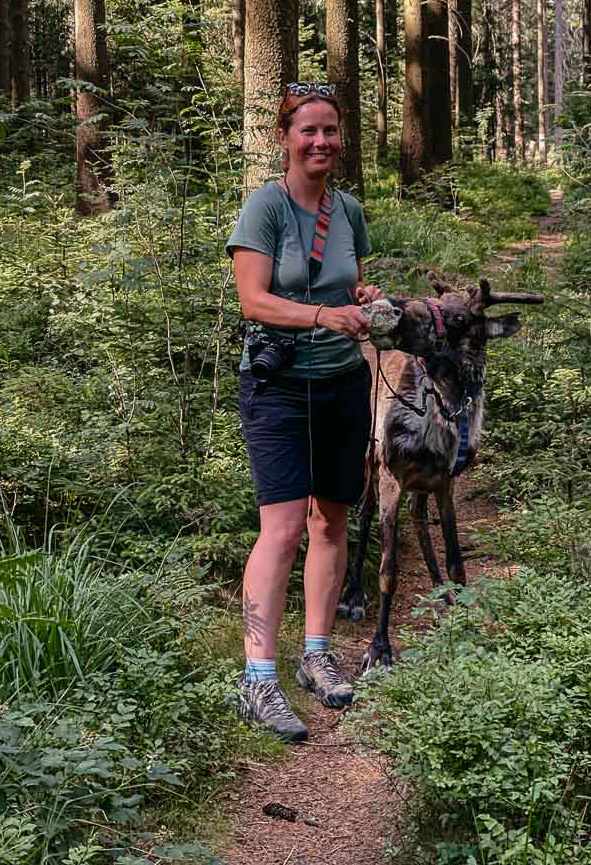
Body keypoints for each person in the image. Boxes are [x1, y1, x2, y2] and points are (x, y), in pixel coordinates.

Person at [226, 82, 384, 741]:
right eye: (308, 131)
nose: (320, 142)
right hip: (279, 388)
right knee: (283, 527)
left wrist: (362, 295)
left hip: (343, 385)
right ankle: (257, 680)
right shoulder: (264, 207)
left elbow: (346, 280)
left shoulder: (345, 210)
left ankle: (316, 654)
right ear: (285, 137)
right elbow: (254, 301)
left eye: (330, 131)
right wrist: (323, 314)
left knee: (331, 522)